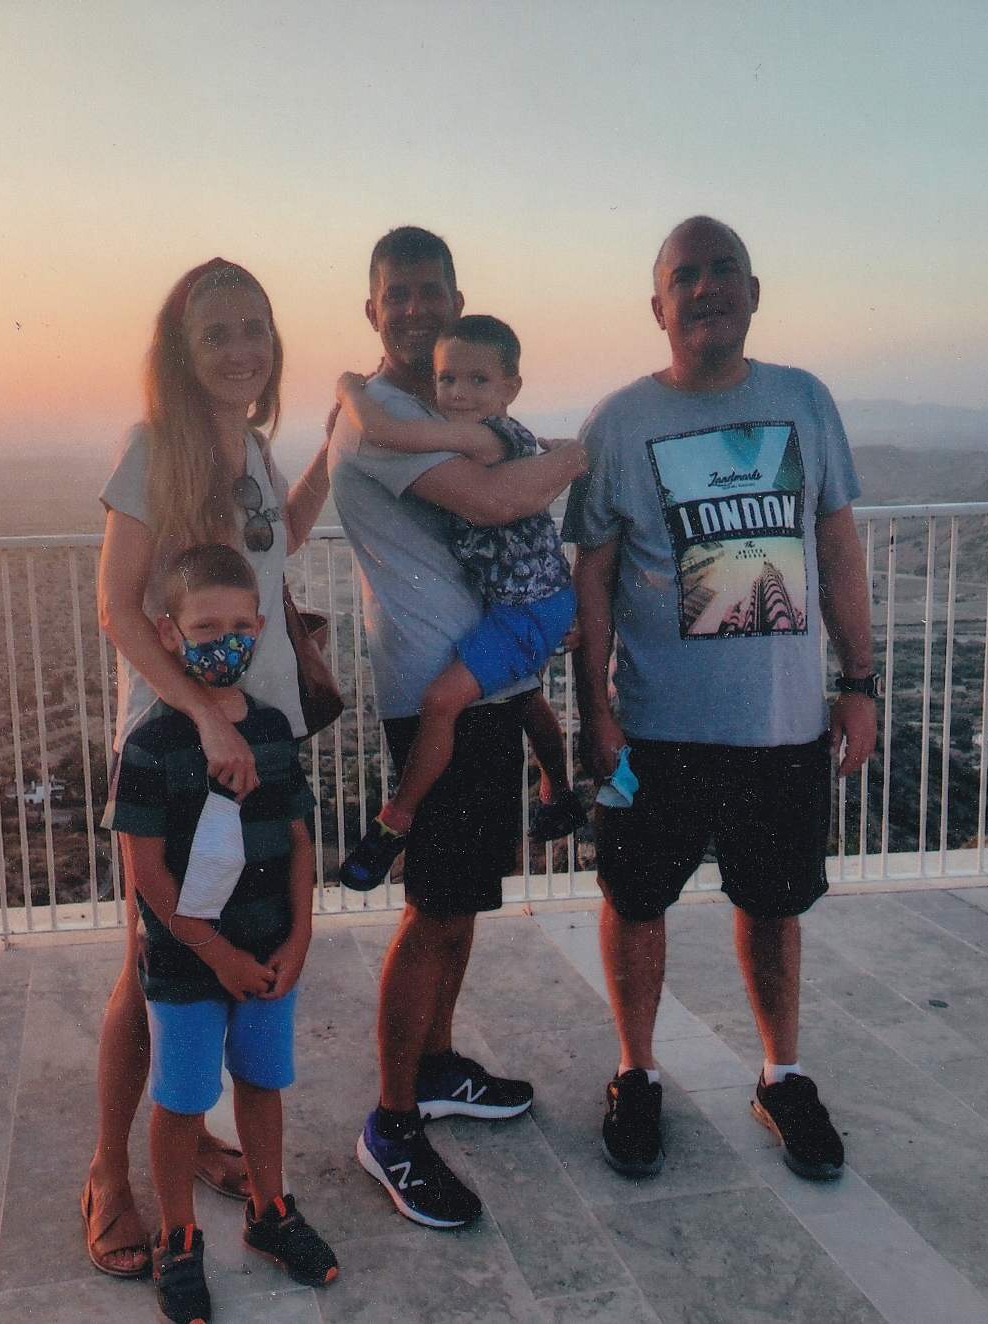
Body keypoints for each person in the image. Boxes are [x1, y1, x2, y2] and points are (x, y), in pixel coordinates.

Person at [564, 216, 878, 1182]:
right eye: (686, 276)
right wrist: (595, 711)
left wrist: (860, 683)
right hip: (655, 728)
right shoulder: (618, 423)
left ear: (754, 291)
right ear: (657, 305)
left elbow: (837, 548)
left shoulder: (804, 400)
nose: (706, 288)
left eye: (724, 271)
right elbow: (593, 580)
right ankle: (636, 1073)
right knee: (635, 901)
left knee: (773, 905)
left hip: (781, 725)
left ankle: (783, 1075)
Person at [326, 226, 588, 1228]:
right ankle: (391, 1123)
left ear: (455, 299)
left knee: (461, 899)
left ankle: (433, 1067)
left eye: (429, 291)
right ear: (372, 308)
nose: (414, 308)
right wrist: (572, 457)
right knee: (433, 910)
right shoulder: (385, 418)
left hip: (482, 680)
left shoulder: (429, 407)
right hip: (432, 684)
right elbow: (488, 502)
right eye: (396, 294)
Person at [84, 258, 333, 1278]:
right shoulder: (154, 449)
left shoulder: (253, 448)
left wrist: (334, 450)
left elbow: (280, 544)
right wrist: (201, 719)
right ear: (181, 353)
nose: (240, 351)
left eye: (253, 329)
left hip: (253, 735)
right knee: (154, 963)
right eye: (215, 333)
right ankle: (110, 1175)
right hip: (181, 744)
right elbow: (118, 608)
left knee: (237, 939)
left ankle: (190, 1142)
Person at [102, 543, 338, 1324]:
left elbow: (299, 840)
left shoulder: (271, 729)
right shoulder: (150, 745)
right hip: (186, 966)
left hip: (269, 954)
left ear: (261, 628)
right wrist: (218, 954)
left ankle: (271, 1211)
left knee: (263, 1085)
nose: (224, 641)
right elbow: (147, 874)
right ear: (169, 634)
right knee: (181, 1101)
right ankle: (179, 1238)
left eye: (240, 627)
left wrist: (299, 939)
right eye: (206, 628)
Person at [332, 313, 581, 892]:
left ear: (510, 388)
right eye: (447, 380)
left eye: (477, 380)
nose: (458, 394)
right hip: (529, 600)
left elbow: (385, 432)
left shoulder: (483, 436)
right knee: (523, 694)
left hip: (526, 608)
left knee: (442, 700)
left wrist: (347, 390)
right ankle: (559, 791)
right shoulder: (499, 433)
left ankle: (395, 820)